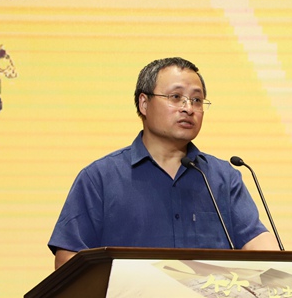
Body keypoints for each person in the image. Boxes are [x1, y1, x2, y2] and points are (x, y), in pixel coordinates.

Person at [48, 57, 279, 269]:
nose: (188, 108)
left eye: (197, 100)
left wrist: (283, 268)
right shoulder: (100, 178)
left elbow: (256, 242)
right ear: (144, 104)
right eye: (176, 97)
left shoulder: (222, 178)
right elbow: (68, 259)